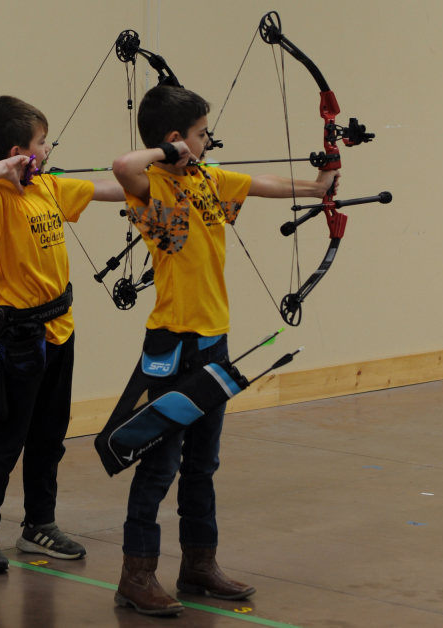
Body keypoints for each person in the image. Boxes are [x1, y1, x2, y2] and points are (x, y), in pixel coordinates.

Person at [108, 85, 340, 616]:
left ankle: (199, 564)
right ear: (174, 141)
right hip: (171, 344)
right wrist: (167, 154)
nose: (208, 140)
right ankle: (136, 574)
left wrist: (322, 181)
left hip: (215, 341)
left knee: (203, 462)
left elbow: (269, 183)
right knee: (159, 464)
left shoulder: (209, 181)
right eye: (200, 133)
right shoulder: (152, 187)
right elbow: (123, 165)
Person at [0, 95, 124, 572]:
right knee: (8, 438)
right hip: (20, 339)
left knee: (49, 436)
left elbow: (113, 191)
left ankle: (38, 526)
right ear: (18, 152)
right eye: (41, 143)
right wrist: (6, 168)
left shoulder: (48, 188)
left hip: (60, 329)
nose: (47, 150)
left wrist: (160, 178)